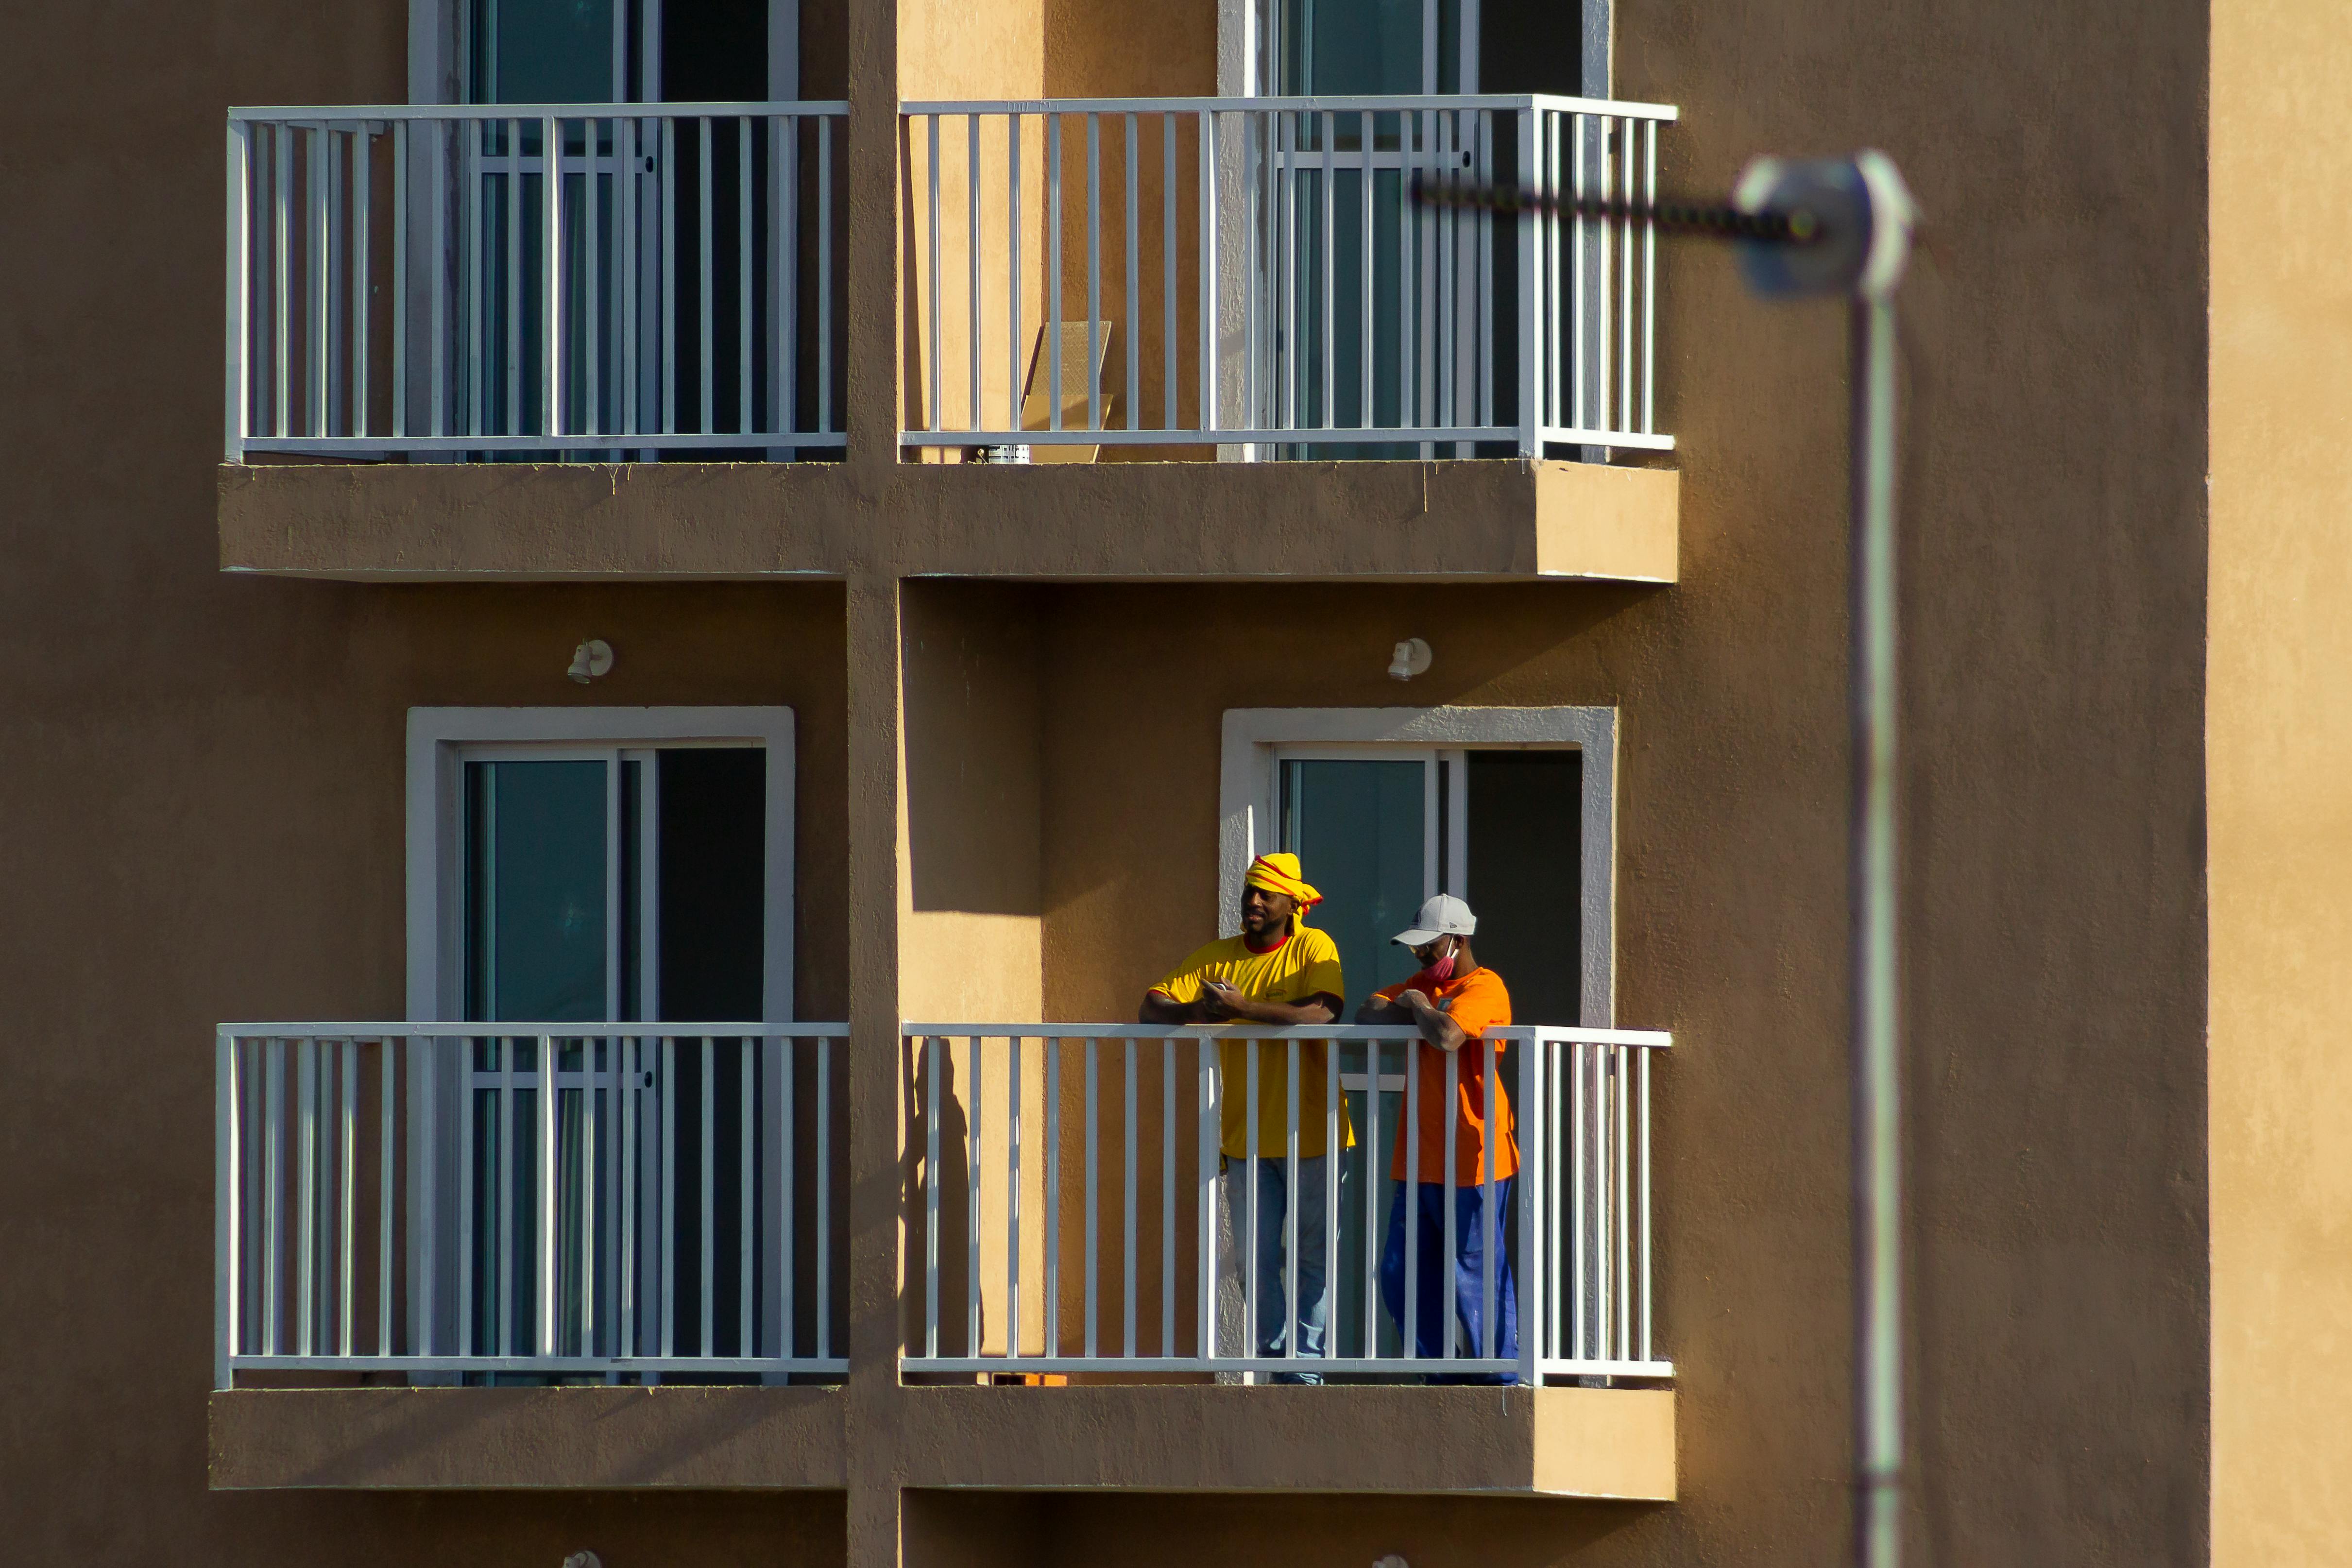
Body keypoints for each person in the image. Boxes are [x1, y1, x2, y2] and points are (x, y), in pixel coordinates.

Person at [1141, 852, 1351, 1381]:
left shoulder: (1313, 946)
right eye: (1249, 892)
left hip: (1315, 1133)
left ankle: (1303, 1374)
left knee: (1312, 1260)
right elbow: (1151, 1005)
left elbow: (1323, 1012)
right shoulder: (1220, 957)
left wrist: (1243, 1009)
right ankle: (1277, 1366)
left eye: (1266, 894)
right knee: (1255, 1265)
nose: (1254, 902)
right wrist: (1197, 1011)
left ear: (1291, 904)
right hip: (1246, 1138)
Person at [1355, 893, 1518, 1381]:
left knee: (1476, 1275)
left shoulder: (1485, 987)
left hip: (1475, 1158)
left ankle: (1502, 1377)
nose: (1421, 957)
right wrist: (1420, 1007)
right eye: (1417, 949)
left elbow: (1448, 1036)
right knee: (1399, 1274)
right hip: (1420, 1157)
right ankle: (1441, 1375)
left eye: (1429, 947)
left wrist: (1422, 1007)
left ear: (1458, 940)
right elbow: (1368, 1014)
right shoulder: (1421, 985)